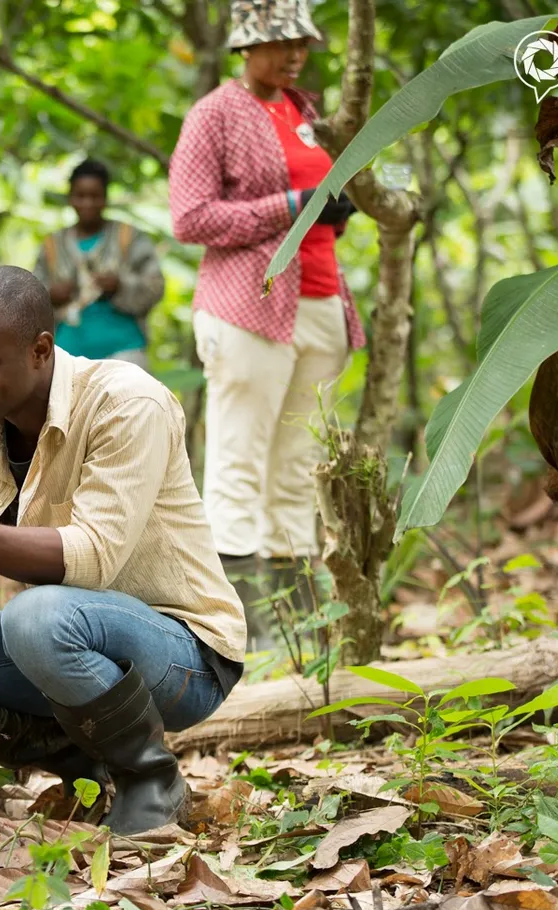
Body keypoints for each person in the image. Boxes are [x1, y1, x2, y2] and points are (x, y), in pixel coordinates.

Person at [0, 266, 246, 836]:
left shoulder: (127, 402)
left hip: (184, 656)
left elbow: (92, 558)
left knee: (35, 615)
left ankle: (149, 779)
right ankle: (82, 763)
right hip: (61, 646)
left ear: (39, 351)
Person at [168, 0, 365, 650]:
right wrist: (289, 206)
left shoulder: (308, 110)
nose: (294, 52)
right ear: (246, 46)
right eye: (279, 40)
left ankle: (297, 633)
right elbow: (190, 216)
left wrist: (339, 206)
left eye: (301, 39)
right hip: (249, 305)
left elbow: (335, 187)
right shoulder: (215, 114)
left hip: (319, 300)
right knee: (239, 461)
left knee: (298, 464)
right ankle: (237, 633)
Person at [33, 159, 165, 370]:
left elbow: (156, 285)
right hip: (66, 355)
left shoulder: (128, 236)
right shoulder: (52, 245)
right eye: (81, 196)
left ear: (105, 199)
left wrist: (120, 286)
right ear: (71, 199)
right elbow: (31, 298)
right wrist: (50, 294)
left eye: (95, 196)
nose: (88, 204)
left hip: (124, 351)